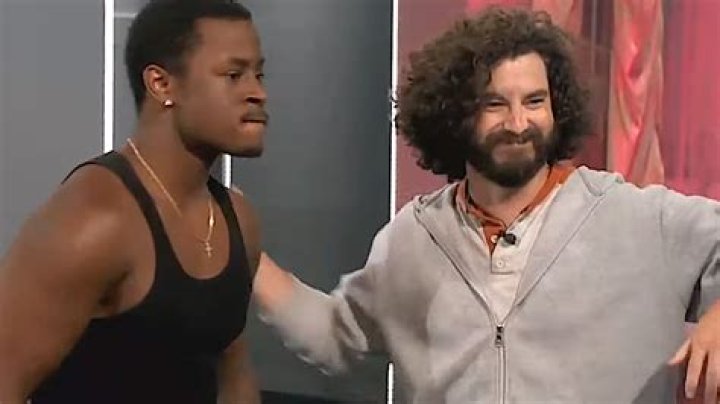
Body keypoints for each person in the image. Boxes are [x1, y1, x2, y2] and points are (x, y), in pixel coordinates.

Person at [254, 7, 720, 404]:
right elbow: (338, 335)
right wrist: (245, 254)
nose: (518, 123)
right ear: (455, 114)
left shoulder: (638, 220)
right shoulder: (413, 238)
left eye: (534, 101)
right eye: (495, 104)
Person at [0, 1, 267, 403]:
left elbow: (233, 376)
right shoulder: (95, 218)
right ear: (162, 84)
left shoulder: (239, 221)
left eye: (259, 75)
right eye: (234, 75)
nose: (258, 93)